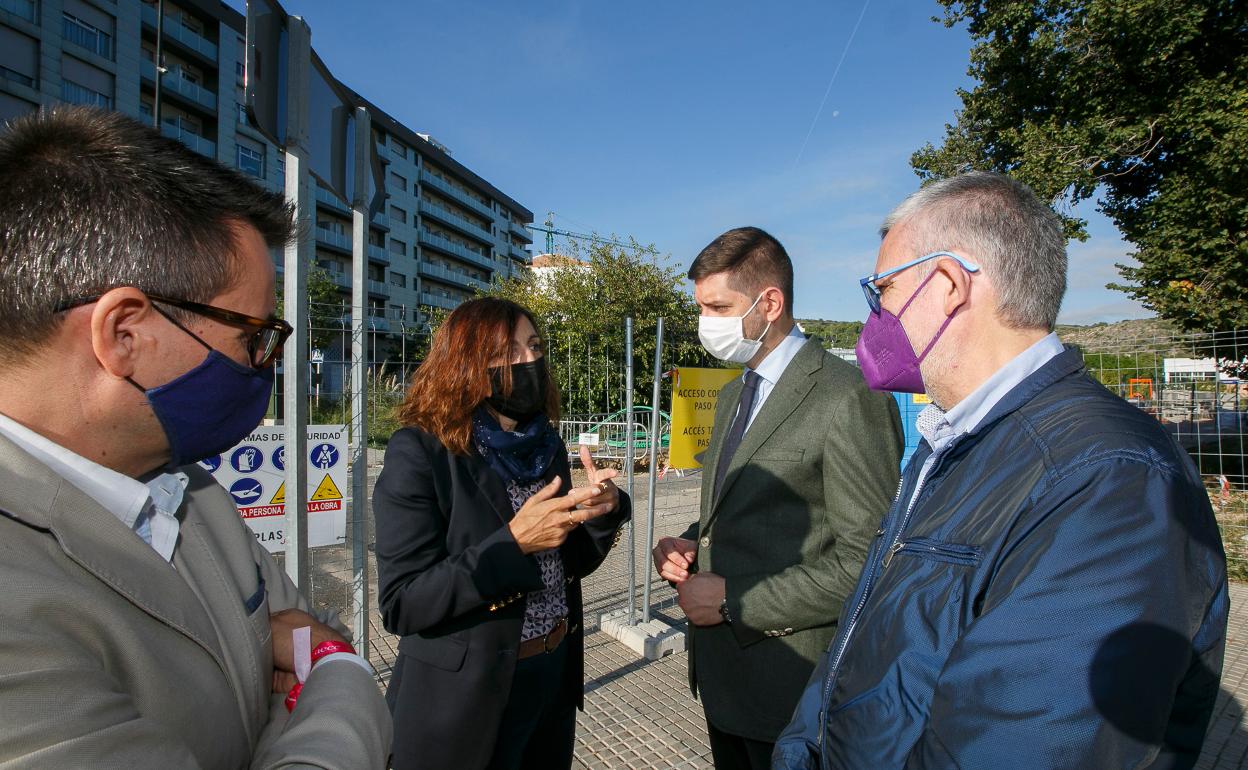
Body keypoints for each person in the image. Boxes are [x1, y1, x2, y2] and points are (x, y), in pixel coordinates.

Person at [774, 171, 1229, 769]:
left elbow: (1024, 742)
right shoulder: (965, 437)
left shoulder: (1106, 478)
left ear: (947, 284)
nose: (875, 318)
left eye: (880, 290)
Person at [0, 106, 390, 767]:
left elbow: (291, 622)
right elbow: (313, 651)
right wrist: (338, 674)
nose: (266, 362)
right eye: (254, 336)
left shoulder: (189, 490)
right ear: (126, 334)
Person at [651, 227, 903, 769]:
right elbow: (733, 512)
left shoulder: (849, 396)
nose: (705, 324)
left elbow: (870, 562)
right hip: (722, 684)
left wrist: (731, 601)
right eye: (700, 308)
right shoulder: (732, 393)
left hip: (793, 690)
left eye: (718, 307)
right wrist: (688, 543)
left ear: (770, 303)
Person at [373, 297, 631, 770]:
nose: (529, 361)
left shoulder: (545, 445)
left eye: (534, 346)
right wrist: (512, 545)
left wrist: (600, 512)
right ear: (465, 362)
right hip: (466, 697)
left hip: (551, 674)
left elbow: (564, 566)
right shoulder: (422, 451)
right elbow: (403, 602)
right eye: (507, 352)